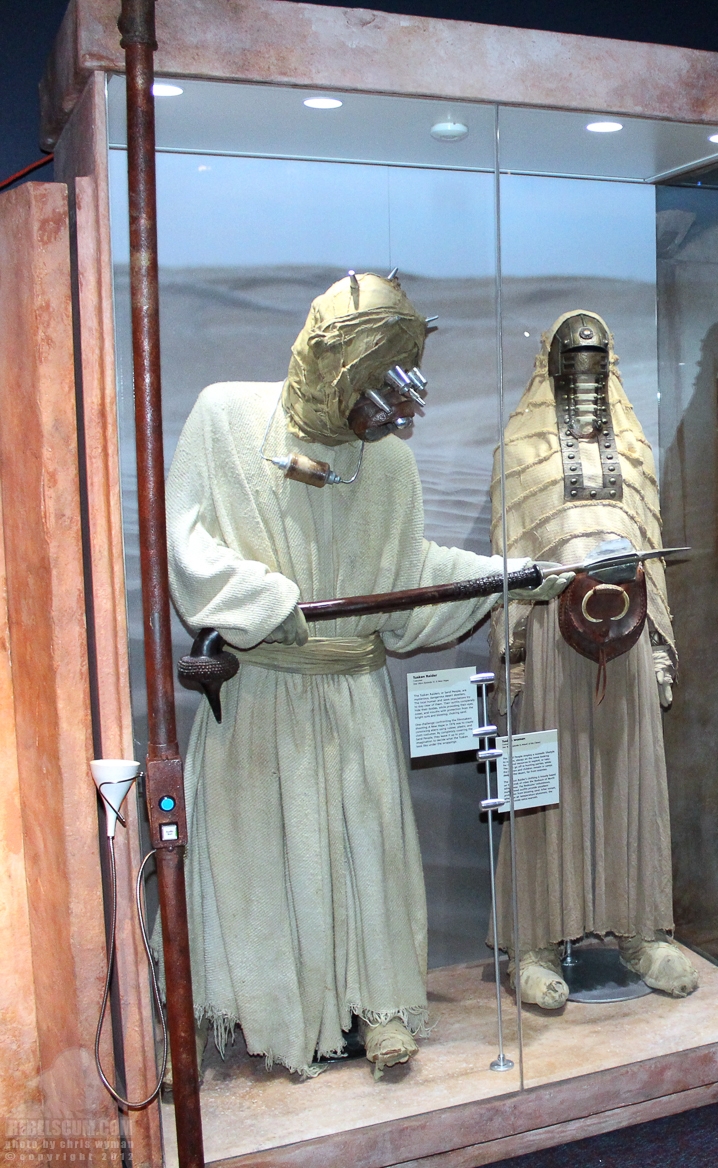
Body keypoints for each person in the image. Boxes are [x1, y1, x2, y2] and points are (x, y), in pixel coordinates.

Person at [165, 272, 567, 1077]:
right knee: (265, 862)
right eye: (369, 385)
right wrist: (268, 601)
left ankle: (377, 1005)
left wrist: (509, 577)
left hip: (352, 692)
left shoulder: (387, 463)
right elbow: (189, 542)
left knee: (365, 854)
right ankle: (277, 1015)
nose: (381, 412)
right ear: (327, 361)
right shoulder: (225, 417)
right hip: (263, 693)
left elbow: (411, 578)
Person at [489, 310, 698, 1008]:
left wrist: (661, 650)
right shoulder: (519, 447)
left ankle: (643, 932)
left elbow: (650, 543)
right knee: (545, 783)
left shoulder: (633, 448)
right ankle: (535, 944)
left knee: (631, 780)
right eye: (573, 361)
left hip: (628, 637)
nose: (585, 374)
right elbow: (508, 550)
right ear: (550, 365)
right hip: (552, 638)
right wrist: (514, 656)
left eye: (596, 360)